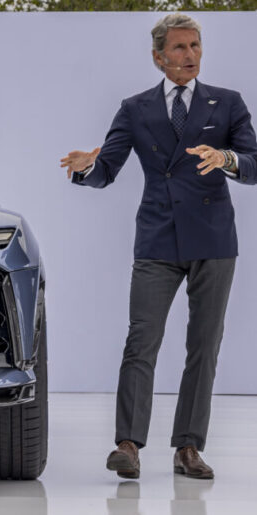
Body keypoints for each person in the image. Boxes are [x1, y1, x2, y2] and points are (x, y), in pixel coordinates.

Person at [59, 13, 257, 480]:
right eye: (180, 48)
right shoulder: (135, 108)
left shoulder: (226, 103)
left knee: (203, 347)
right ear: (158, 57)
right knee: (140, 341)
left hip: (213, 239)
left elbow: (254, 162)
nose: (190, 56)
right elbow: (107, 169)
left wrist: (225, 158)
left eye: (195, 46)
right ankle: (128, 445)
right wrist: (88, 166)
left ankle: (188, 447)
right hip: (156, 238)